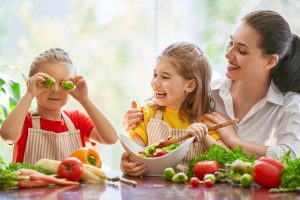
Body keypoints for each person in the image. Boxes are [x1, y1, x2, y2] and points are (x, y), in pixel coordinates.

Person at [123, 10, 300, 161]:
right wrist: (135, 123)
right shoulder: (207, 92)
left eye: (242, 50)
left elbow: (291, 157)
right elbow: (161, 111)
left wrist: (234, 142)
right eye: (230, 43)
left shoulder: (289, 105)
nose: (228, 54)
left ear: (269, 61)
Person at [121, 42, 227, 176]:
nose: (155, 82)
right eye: (155, 75)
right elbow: (135, 154)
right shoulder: (147, 114)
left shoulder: (205, 121)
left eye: (165, 77)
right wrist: (126, 165)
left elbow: (226, 160)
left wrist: (204, 137)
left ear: (190, 85)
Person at [0, 48, 117, 164]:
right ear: (31, 84)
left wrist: (85, 100)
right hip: (30, 183)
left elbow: (110, 138)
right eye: (46, 83)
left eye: (63, 84)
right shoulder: (24, 121)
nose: (55, 90)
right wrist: (29, 94)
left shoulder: (77, 120)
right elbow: (8, 135)